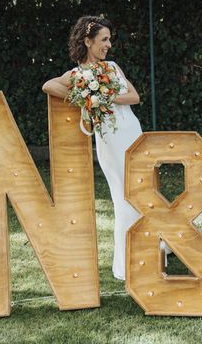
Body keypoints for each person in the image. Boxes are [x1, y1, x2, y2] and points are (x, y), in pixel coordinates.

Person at [42, 16, 142, 280]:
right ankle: (126, 263)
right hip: (110, 140)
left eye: (109, 39)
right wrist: (85, 99)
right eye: (104, 40)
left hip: (133, 132)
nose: (108, 44)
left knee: (142, 193)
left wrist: (106, 96)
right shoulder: (77, 75)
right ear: (87, 41)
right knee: (123, 197)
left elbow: (134, 97)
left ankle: (149, 251)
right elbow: (48, 86)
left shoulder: (113, 67)